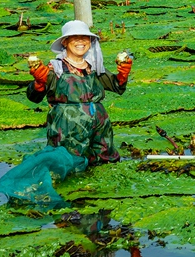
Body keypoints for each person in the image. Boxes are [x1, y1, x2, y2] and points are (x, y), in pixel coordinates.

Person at [27, 20, 131, 165]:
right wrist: (39, 83)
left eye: (85, 37)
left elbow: (117, 87)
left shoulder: (94, 68)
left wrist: (123, 75)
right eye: (75, 37)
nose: (80, 41)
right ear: (65, 42)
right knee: (70, 164)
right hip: (68, 128)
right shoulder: (55, 69)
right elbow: (34, 97)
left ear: (90, 41)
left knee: (106, 162)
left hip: (99, 126)